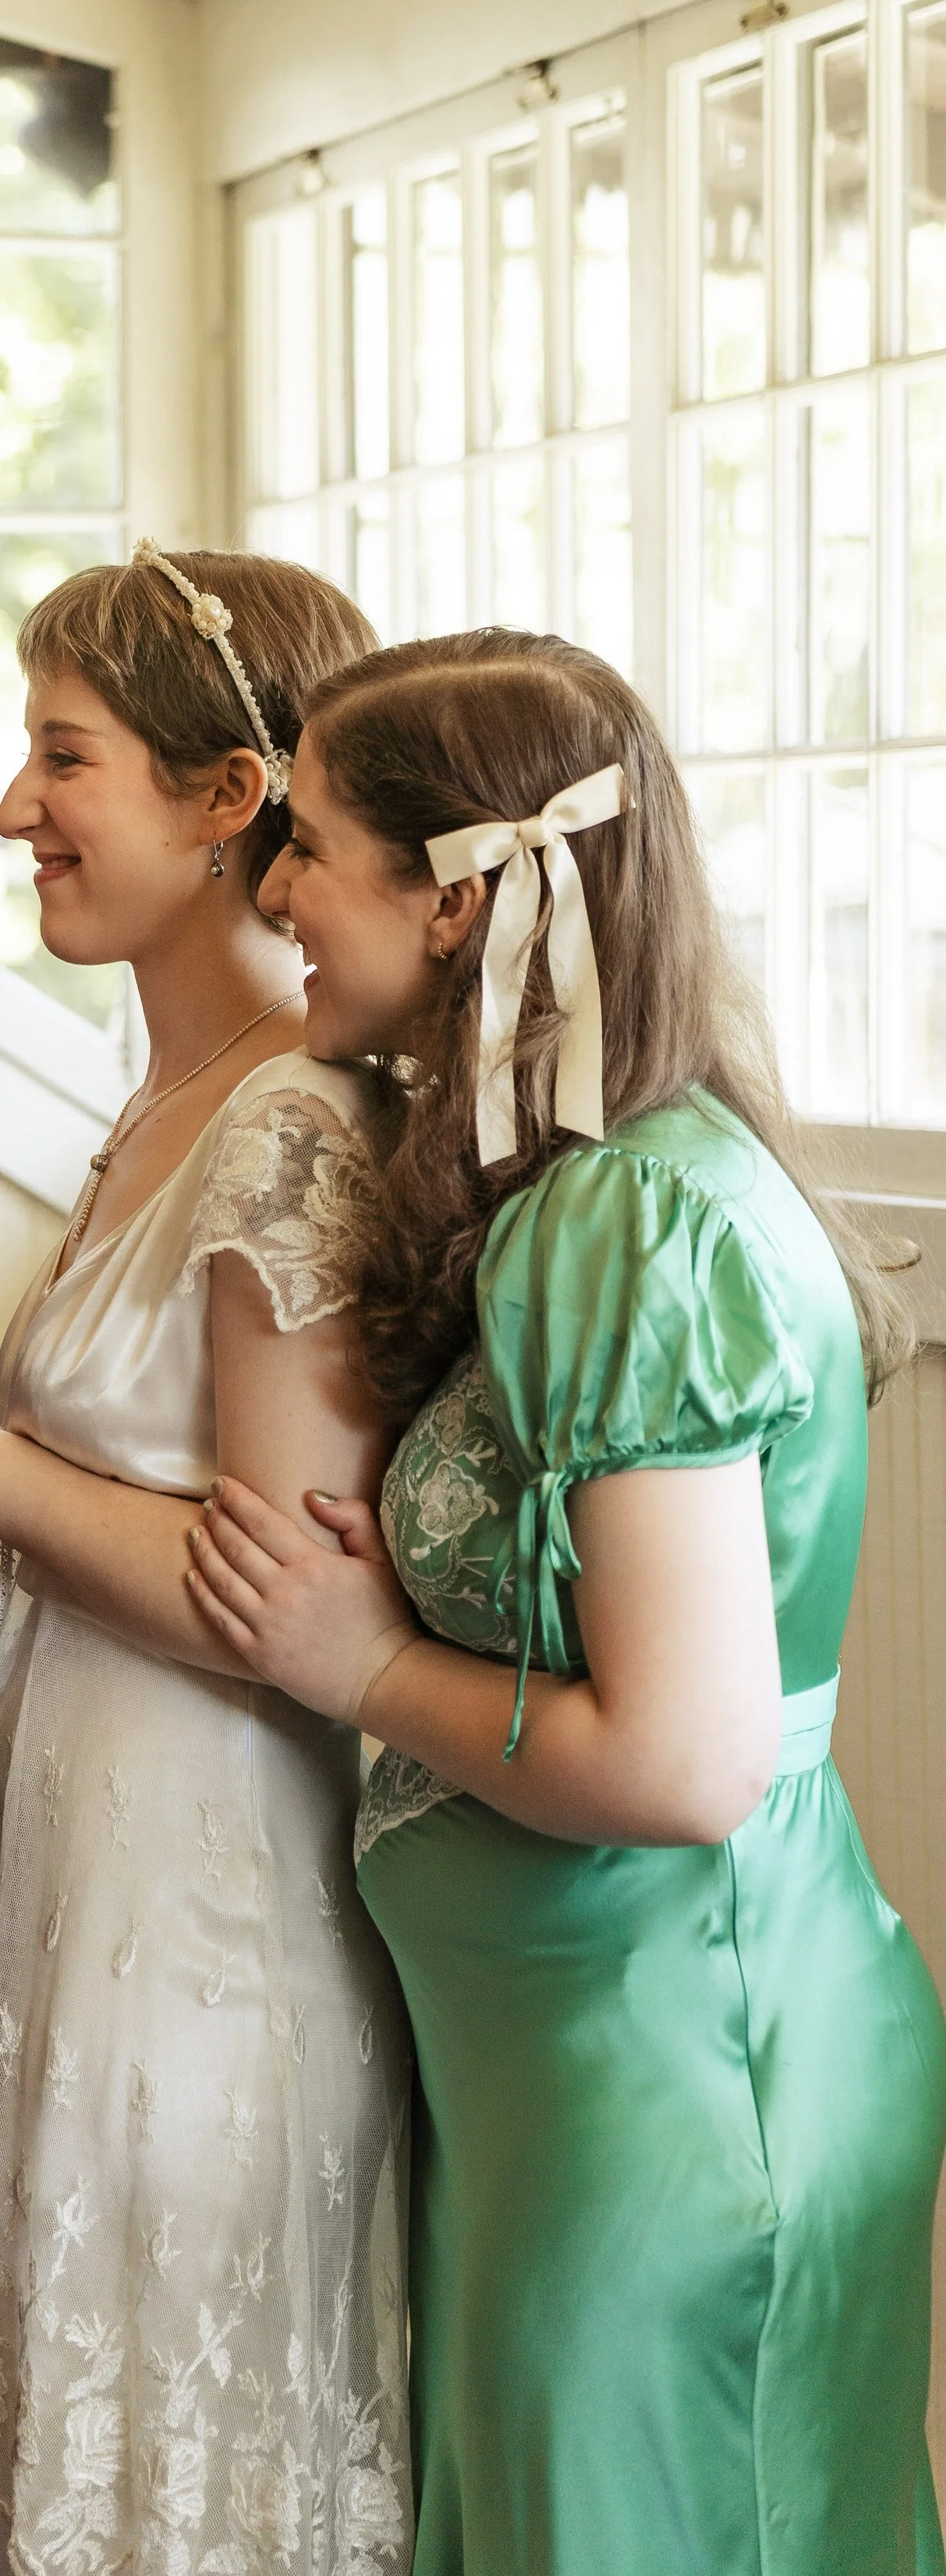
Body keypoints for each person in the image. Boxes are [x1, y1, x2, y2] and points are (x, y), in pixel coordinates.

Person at [185, 628, 946, 2576]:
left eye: (314, 847)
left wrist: (361, 1662)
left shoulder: (629, 1225)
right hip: (584, 2058)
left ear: (457, 904)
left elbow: (686, 1760)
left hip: (681, 2064)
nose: (271, 893)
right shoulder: (582, 1195)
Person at [0, 545, 413, 2576]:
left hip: (212, 1933)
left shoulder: (291, 1106)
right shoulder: (159, 1098)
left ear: (224, 801)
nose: (17, 805)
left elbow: (274, 1589)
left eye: (60, 755)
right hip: (79, 1903)